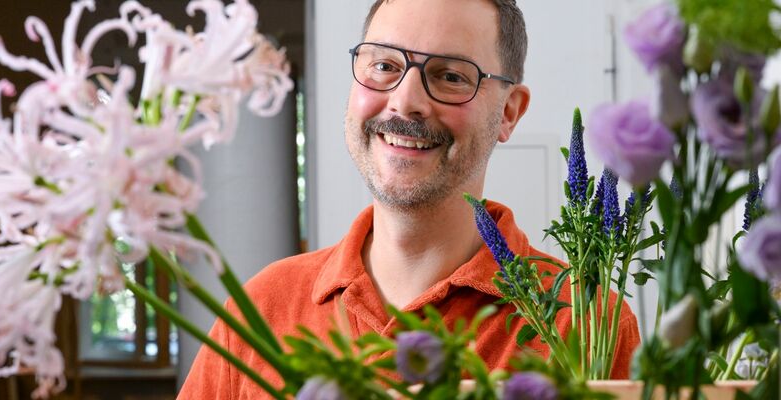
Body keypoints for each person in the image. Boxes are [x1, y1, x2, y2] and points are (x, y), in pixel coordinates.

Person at [178, 0, 640, 398]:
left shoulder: (589, 324)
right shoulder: (262, 307)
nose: (405, 101)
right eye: (384, 66)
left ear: (509, 112)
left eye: (451, 76)